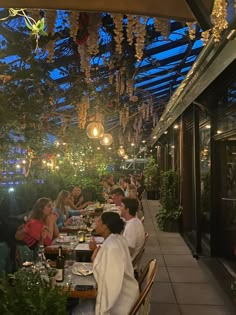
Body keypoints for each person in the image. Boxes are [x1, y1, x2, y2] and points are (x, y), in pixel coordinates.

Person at [75, 212, 139, 315]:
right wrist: (96, 259)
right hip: (127, 294)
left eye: (99, 221)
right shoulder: (117, 239)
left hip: (120, 303)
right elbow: (109, 268)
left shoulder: (111, 246)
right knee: (81, 302)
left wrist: (95, 260)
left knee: (78, 310)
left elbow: (110, 281)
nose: (96, 222)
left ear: (106, 226)